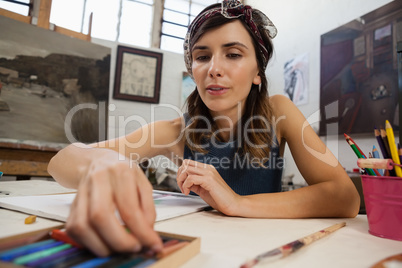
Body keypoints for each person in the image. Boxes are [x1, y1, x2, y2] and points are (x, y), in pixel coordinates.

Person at [48, 0, 360, 257]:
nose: (214, 68)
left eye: (234, 54)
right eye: (202, 56)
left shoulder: (279, 111)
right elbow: (60, 162)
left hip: (266, 253)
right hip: (205, 255)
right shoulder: (177, 131)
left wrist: (236, 203)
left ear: (257, 73)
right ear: (193, 68)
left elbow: (345, 198)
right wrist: (103, 162)